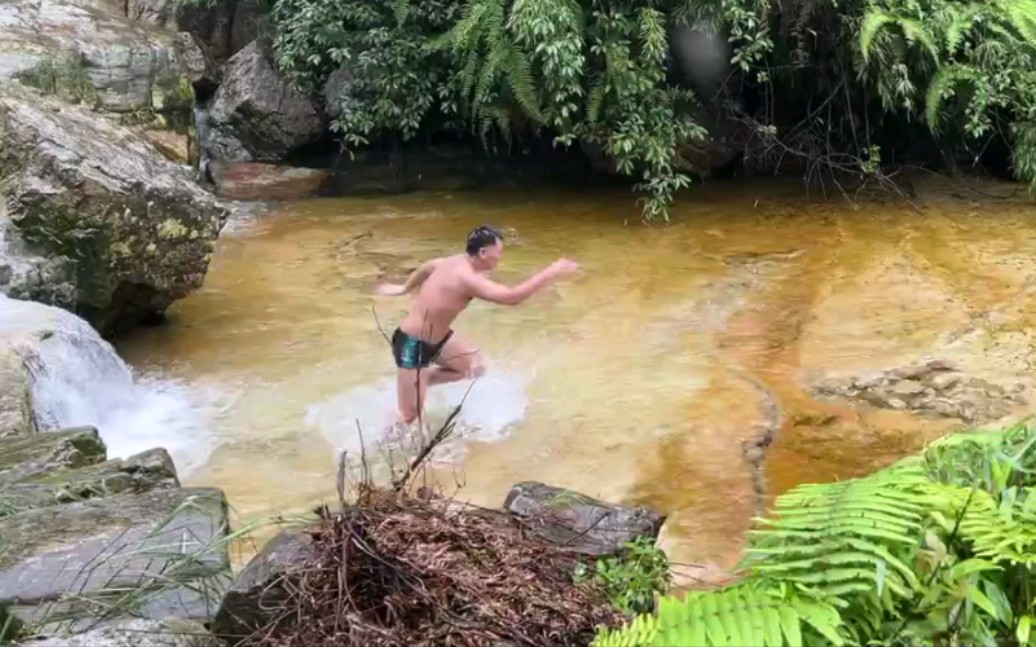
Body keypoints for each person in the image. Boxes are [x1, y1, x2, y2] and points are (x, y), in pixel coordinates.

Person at [373, 224, 580, 430]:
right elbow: (512, 297)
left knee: (474, 368)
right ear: (483, 252)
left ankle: (424, 378)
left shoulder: (453, 261)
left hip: (439, 339)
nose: (500, 258)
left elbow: (428, 266)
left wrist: (404, 288)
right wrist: (551, 272)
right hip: (411, 344)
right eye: (498, 252)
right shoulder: (468, 279)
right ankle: (388, 446)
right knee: (409, 418)